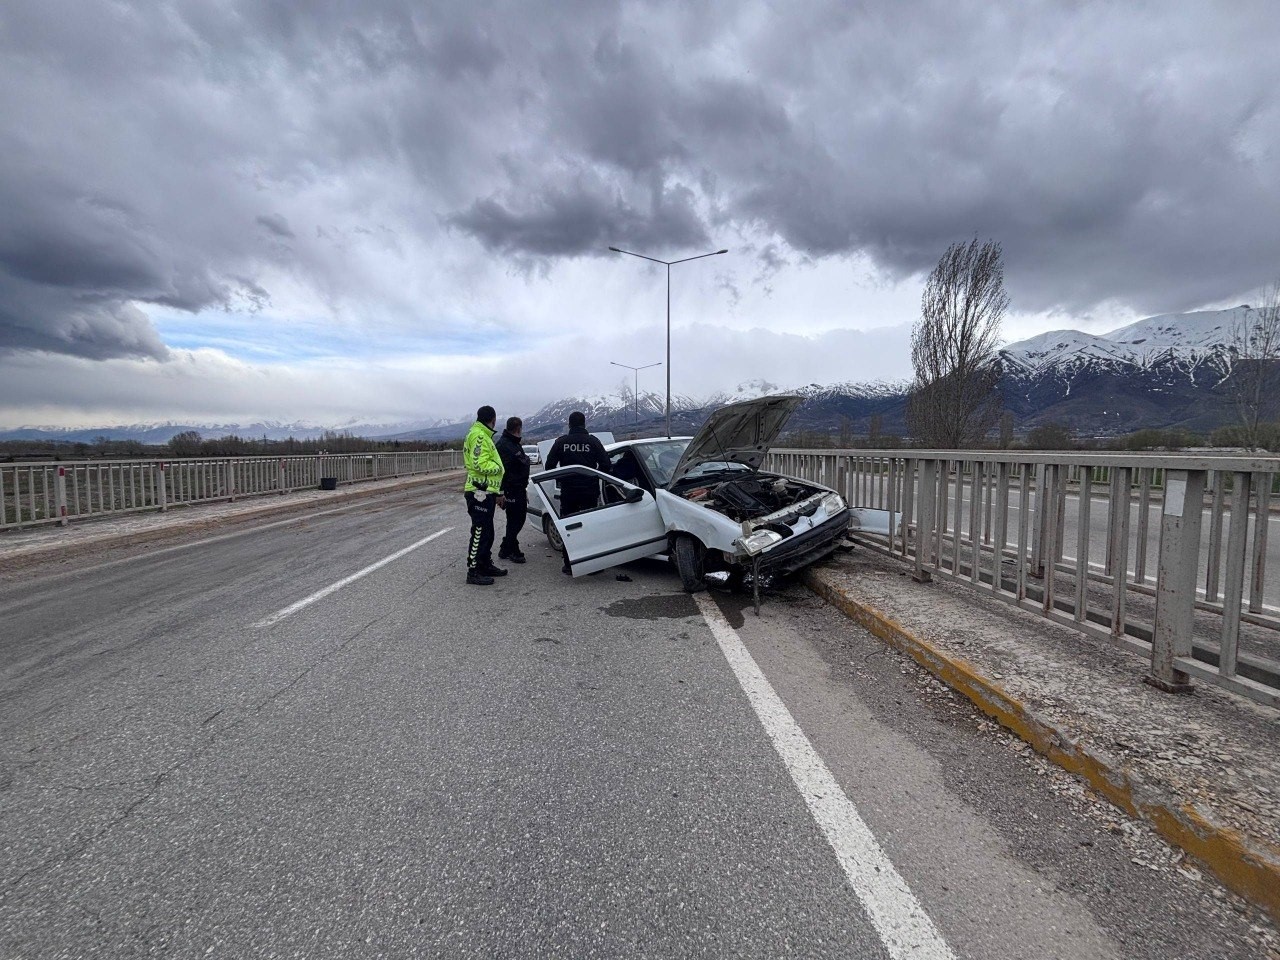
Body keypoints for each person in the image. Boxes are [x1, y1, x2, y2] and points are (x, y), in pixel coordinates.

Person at [544, 410, 611, 574]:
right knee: (590, 526)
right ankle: (592, 565)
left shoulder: (561, 442)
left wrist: (562, 478)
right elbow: (606, 465)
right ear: (584, 424)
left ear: (569, 424)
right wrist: (595, 476)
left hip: (569, 492)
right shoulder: (593, 442)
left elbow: (549, 467)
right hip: (589, 490)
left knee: (569, 527)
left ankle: (569, 563)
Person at [462, 405, 507, 585]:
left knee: (487, 531)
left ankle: (484, 563)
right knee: (480, 531)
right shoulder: (480, 436)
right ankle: (473, 571)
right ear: (493, 419)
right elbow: (478, 463)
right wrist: (499, 468)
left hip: (485, 490)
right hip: (478, 490)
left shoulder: (480, 434)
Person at [494, 416, 531, 564]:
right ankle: (509, 548)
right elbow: (500, 471)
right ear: (518, 429)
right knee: (516, 520)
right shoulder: (505, 445)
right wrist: (500, 493)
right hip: (511, 489)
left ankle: (507, 547)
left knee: (515, 520)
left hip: (518, 488)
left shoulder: (513, 443)